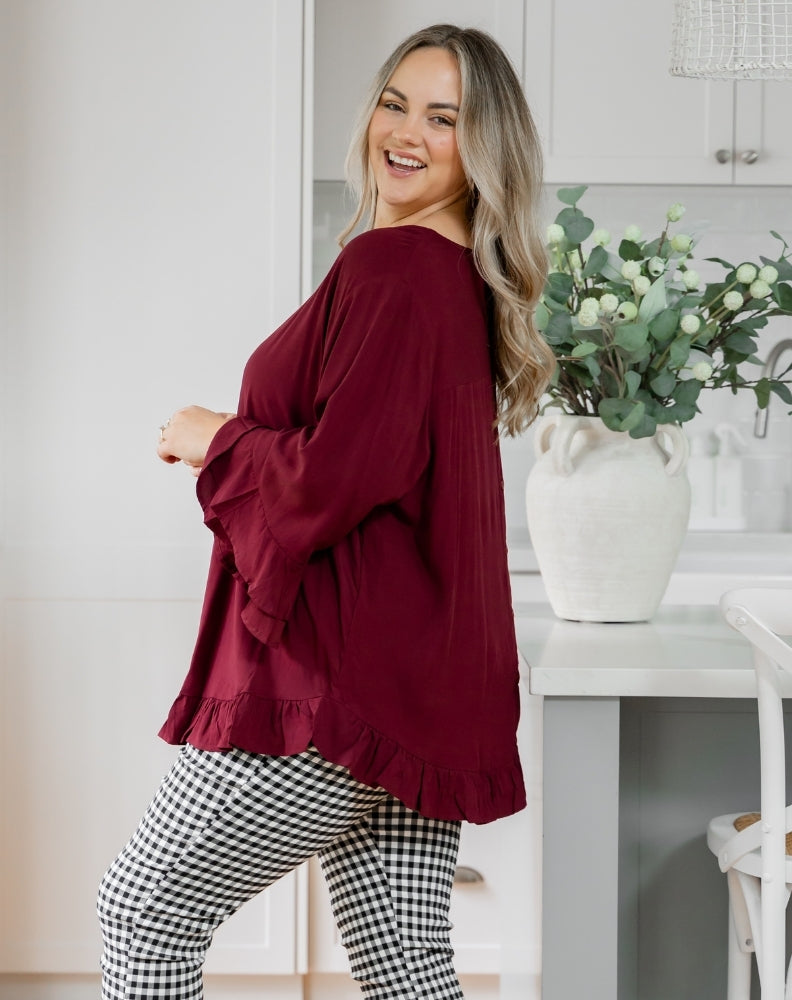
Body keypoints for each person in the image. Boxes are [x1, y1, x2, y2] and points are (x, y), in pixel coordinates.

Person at [97, 22, 554, 1000]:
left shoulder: (392, 274)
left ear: (484, 152)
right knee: (404, 962)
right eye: (396, 102)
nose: (406, 131)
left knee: (142, 913)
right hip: (418, 692)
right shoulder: (451, 281)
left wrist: (210, 434)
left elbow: (327, 484)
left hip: (331, 686)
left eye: (444, 118)